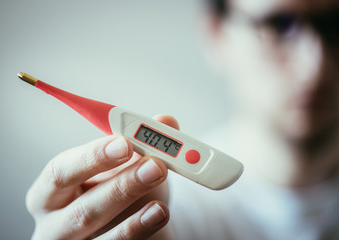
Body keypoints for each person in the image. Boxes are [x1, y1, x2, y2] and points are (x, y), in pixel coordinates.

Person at [25, 0, 339, 239]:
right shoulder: (162, 212)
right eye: (279, 24)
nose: (316, 64)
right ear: (216, 33)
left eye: (336, 24)